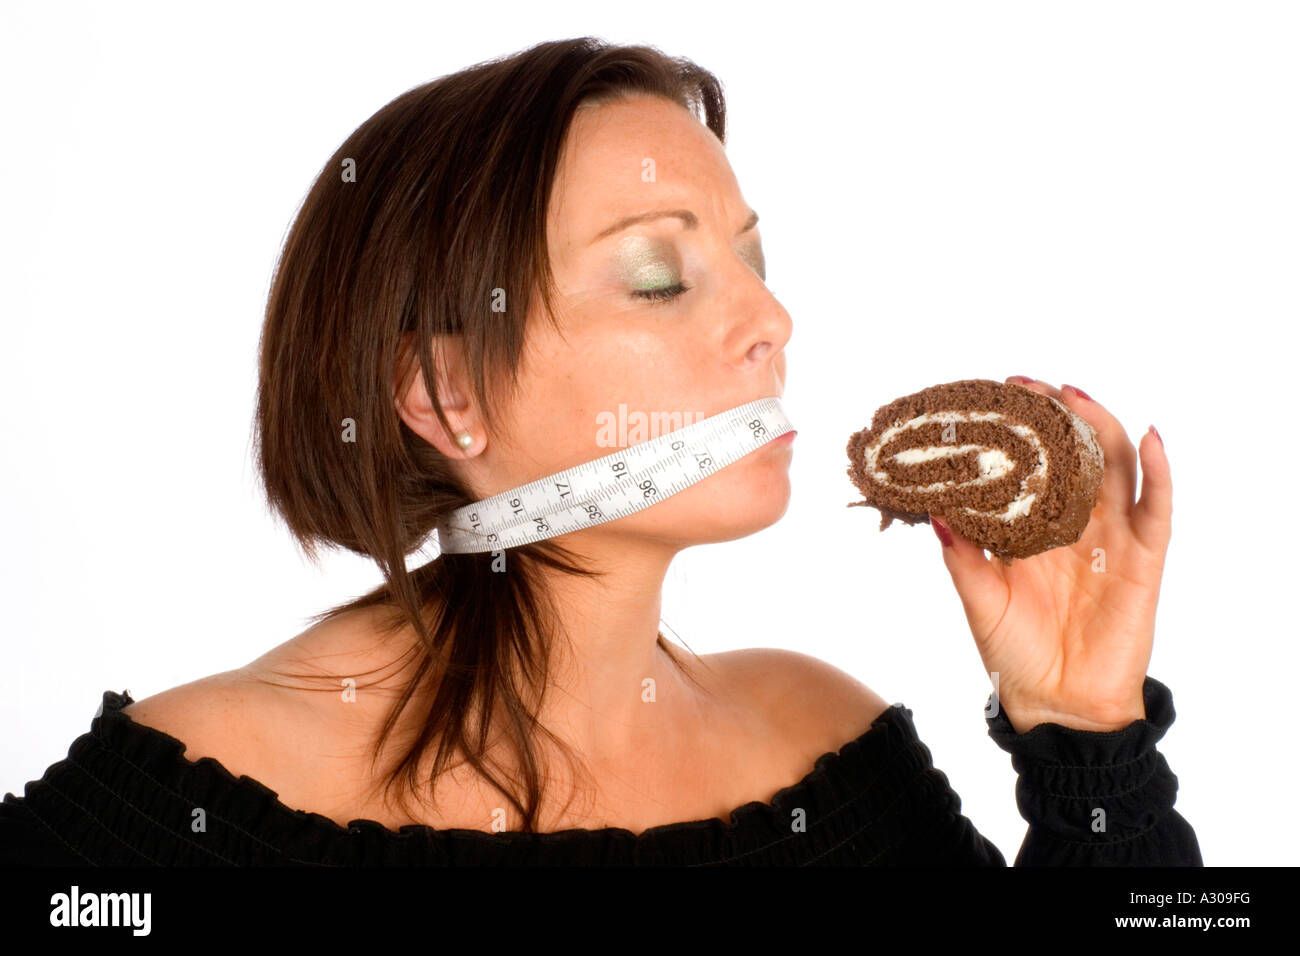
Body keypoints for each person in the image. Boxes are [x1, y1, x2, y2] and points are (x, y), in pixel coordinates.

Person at [0, 37, 1200, 866]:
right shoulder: (195, 793)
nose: (770, 322)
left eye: (752, 260)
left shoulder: (823, 753)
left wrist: (1087, 737)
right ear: (443, 389)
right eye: (659, 276)